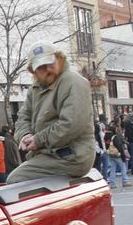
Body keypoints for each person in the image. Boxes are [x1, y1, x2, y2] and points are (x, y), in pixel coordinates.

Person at [7, 43, 95, 183]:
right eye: (41, 67)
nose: (48, 69)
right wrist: (25, 135)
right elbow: (23, 117)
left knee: (16, 180)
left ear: (59, 59)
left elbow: (71, 125)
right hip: (49, 153)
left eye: (50, 63)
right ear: (33, 71)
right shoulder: (35, 88)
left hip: (71, 155)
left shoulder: (73, 81)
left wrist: (38, 140)